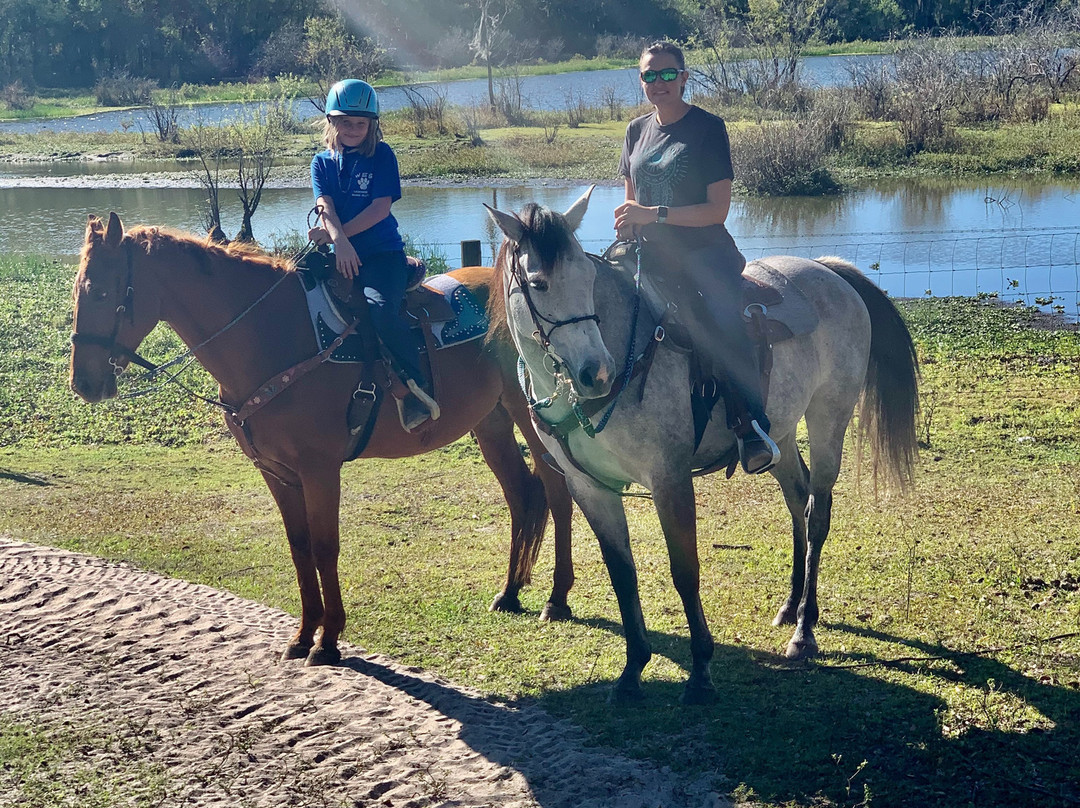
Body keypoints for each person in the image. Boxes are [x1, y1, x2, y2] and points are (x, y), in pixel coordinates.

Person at [614, 41, 779, 475]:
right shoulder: (635, 131)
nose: (659, 82)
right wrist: (629, 223)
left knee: (723, 320)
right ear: (641, 81)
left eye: (668, 74)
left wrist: (653, 215)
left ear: (685, 78)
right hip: (649, 255)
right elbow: (631, 202)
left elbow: (716, 211)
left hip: (705, 253)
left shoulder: (707, 128)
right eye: (650, 75)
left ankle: (750, 424)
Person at [309, 78, 438, 433]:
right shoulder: (321, 163)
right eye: (345, 122)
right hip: (342, 254)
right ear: (331, 121)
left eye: (360, 123)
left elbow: (380, 209)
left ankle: (415, 387)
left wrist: (339, 239)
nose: (353, 129)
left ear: (372, 125)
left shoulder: (382, 155)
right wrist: (336, 240)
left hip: (382, 255)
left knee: (381, 310)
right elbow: (324, 205)